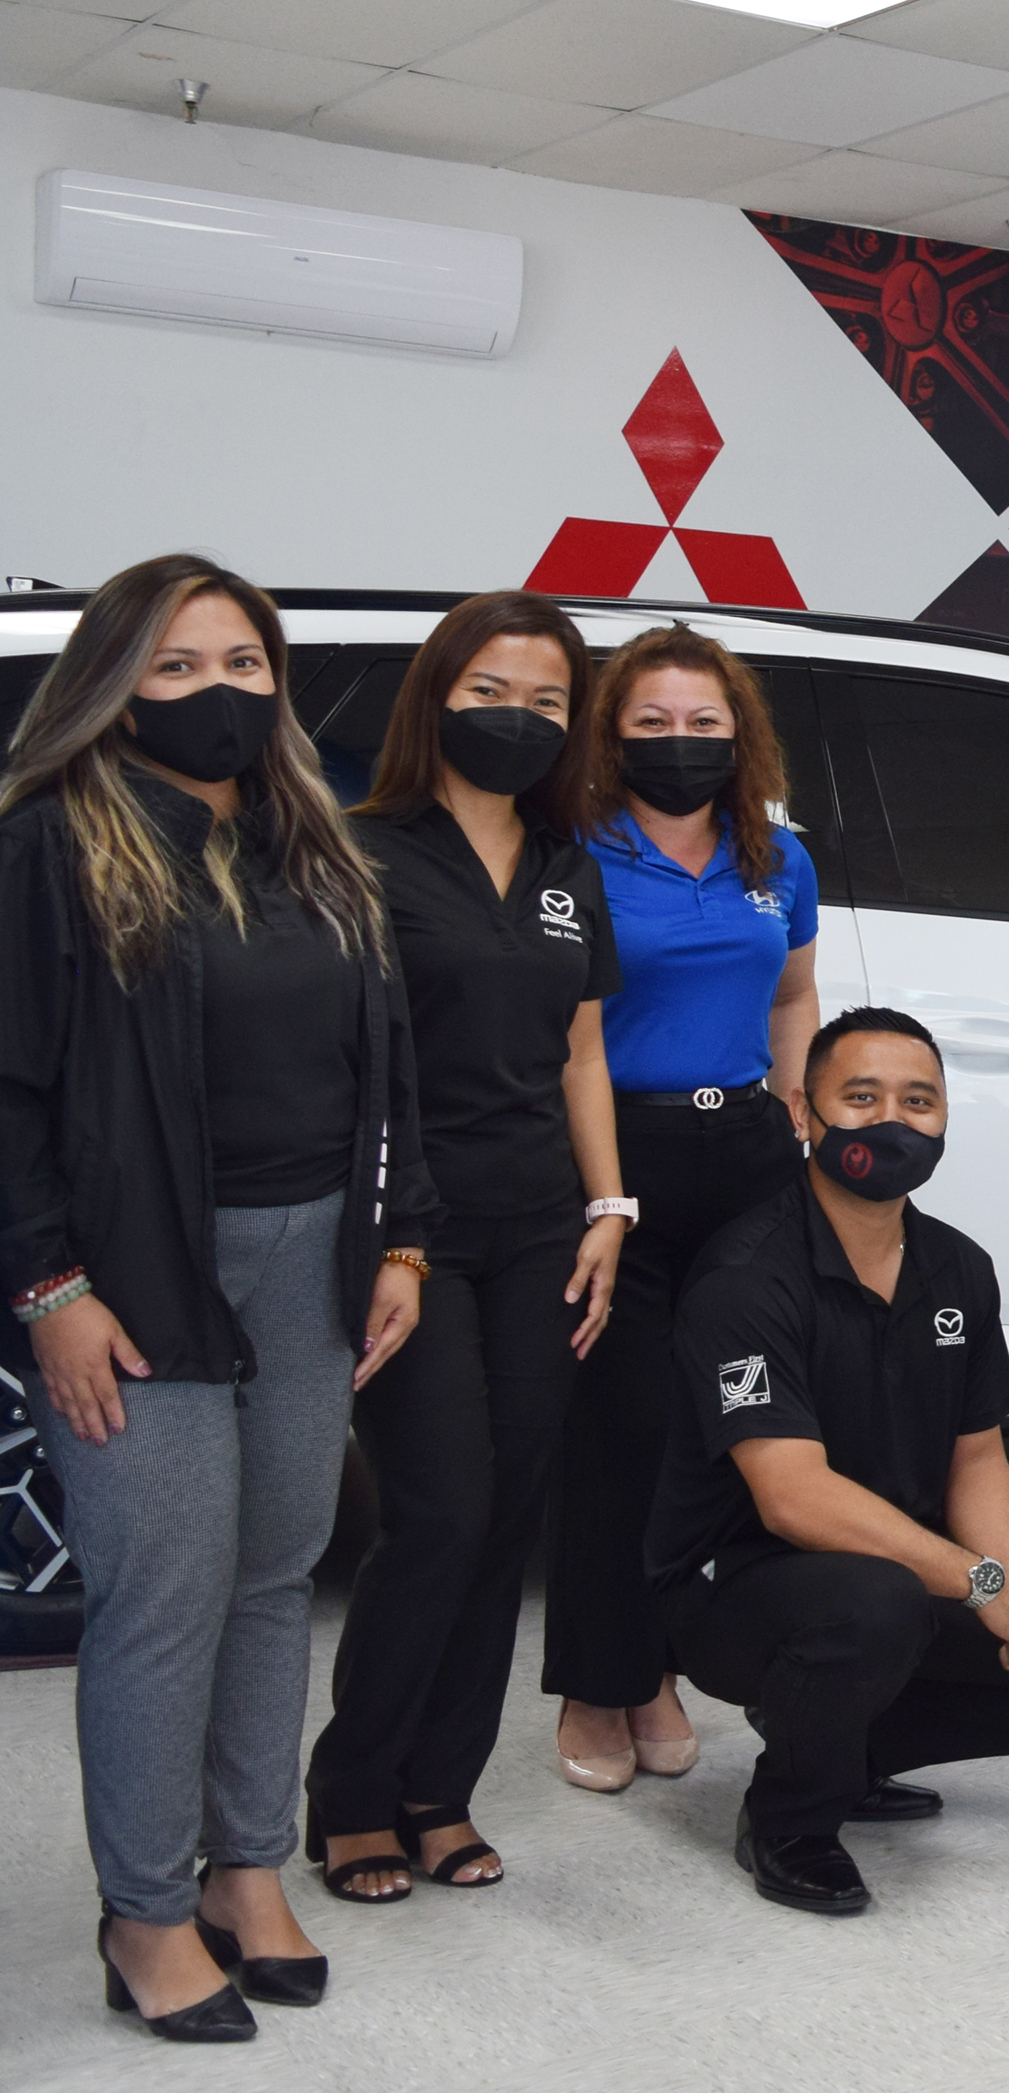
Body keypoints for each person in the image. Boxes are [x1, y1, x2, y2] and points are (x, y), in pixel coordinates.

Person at [0, 555, 437, 2039]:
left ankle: (245, 1870)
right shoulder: (50, 846)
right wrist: (50, 1288)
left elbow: (389, 1067)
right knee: (163, 1594)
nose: (217, 691)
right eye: (176, 666)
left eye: (243, 662)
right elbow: (8, 1093)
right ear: (112, 688)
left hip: (314, 1261)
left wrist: (400, 1241)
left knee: (271, 1577)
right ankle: (141, 1909)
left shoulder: (318, 847)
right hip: (137, 1278)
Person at [648, 1008, 1009, 1913]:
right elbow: (791, 1497)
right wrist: (982, 1582)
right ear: (802, 1112)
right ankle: (790, 1818)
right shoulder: (746, 1276)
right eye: (861, 1097)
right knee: (878, 1602)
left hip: (906, 1566)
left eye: (918, 1101)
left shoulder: (958, 1268)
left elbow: (977, 1457)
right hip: (740, 1585)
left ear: (944, 1120)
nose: (891, 1121)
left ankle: (844, 1744)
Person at [306, 594, 631, 1897]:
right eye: (490, 691)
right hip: (412, 1233)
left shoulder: (567, 866)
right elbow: (337, 1064)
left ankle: (440, 1790)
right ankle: (352, 1792)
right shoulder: (362, 851)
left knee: (505, 1518)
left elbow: (582, 1053)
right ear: (436, 696)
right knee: (438, 1510)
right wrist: (386, 1232)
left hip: (543, 1226)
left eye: (547, 700)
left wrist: (609, 1211)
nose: (519, 717)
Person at [547, 625, 818, 1792]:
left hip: (749, 1153)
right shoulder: (576, 852)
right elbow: (572, 1037)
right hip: (621, 1153)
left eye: (704, 721)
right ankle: (597, 1681)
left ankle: (659, 1665)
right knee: (622, 1430)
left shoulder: (777, 855)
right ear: (612, 733)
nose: (680, 740)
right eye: (652, 720)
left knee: (725, 1429)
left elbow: (795, 994)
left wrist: (800, 1121)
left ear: (738, 733)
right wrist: (605, 1192)